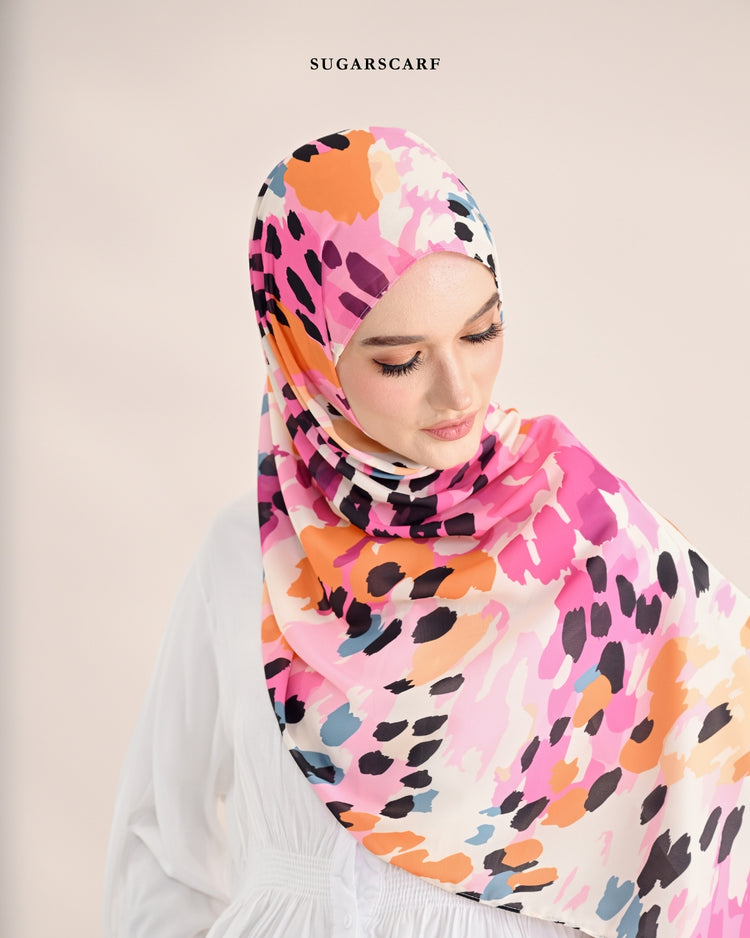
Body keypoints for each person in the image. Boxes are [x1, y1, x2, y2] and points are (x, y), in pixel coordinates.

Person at [103, 127, 749, 938]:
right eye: (401, 360)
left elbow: (711, 821)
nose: (459, 391)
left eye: (480, 333)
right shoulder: (246, 553)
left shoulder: (601, 547)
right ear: (305, 359)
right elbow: (158, 850)